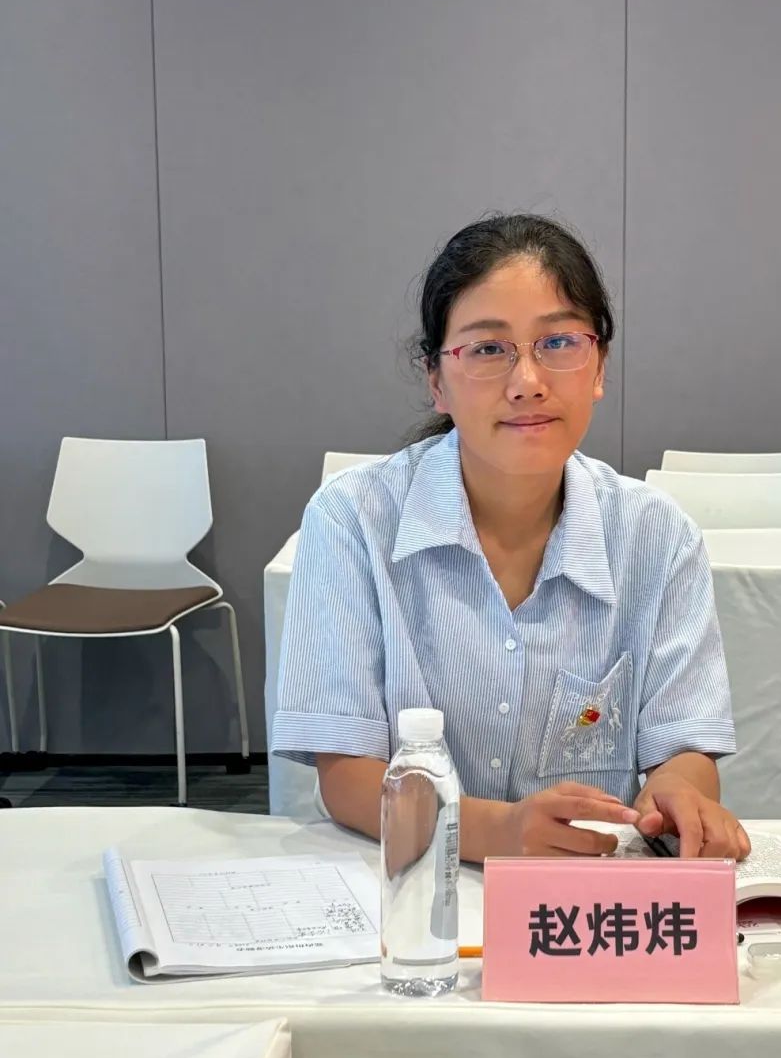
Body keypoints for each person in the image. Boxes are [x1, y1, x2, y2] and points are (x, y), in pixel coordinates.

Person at [273, 214, 748, 862]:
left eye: (559, 342)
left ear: (599, 367)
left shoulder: (657, 537)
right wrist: (496, 832)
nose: (528, 382)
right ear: (436, 380)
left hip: (581, 897)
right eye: (488, 350)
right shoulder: (353, 520)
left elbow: (683, 749)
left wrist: (679, 793)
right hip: (412, 889)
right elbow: (347, 778)